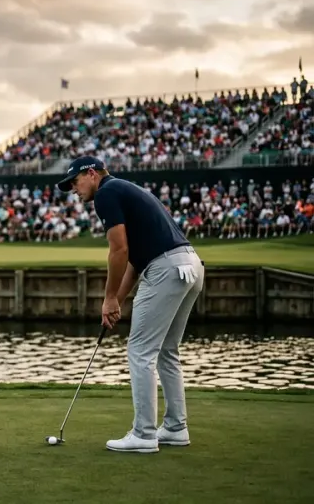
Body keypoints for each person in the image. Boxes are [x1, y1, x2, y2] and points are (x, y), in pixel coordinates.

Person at [56, 156, 205, 454]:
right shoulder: (126, 189)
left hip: (166, 269)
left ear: (92, 173)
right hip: (190, 265)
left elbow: (119, 249)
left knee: (140, 351)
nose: (73, 189)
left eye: (75, 182)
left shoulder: (107, 193)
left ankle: (144, 434)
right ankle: (175, 429)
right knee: (166, 351)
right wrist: (116, 302)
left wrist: (109, 297)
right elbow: (135, 262)